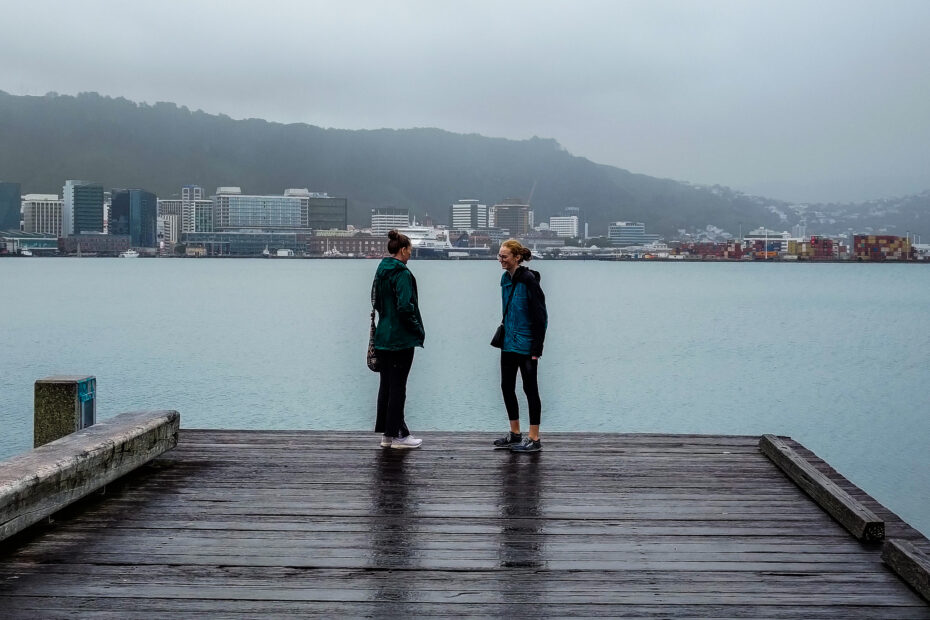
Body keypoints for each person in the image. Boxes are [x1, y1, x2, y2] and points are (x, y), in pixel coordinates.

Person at [493, 239, 548, 452]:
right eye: (499, 255)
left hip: (526, 345)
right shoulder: (504, 279)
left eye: (504, 256)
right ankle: (515, 434)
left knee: (530, 389)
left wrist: (537, 348)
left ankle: (534, 438)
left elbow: (541, 316)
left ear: (517, 257)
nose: (500, 260)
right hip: (508, 343)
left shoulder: (529, 281)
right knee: (506, 387)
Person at [373, 230, 425, 449]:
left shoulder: (381, 270)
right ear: (403, 250)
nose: (409, 255)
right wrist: (416, 328)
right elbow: (405, 306)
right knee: (398, 388)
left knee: (386, 385)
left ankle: (388, 435)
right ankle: (398, 437)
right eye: (409, 251)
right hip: (400, 338)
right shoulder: (402, 273)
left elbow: (375, 301)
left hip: (383, 335)